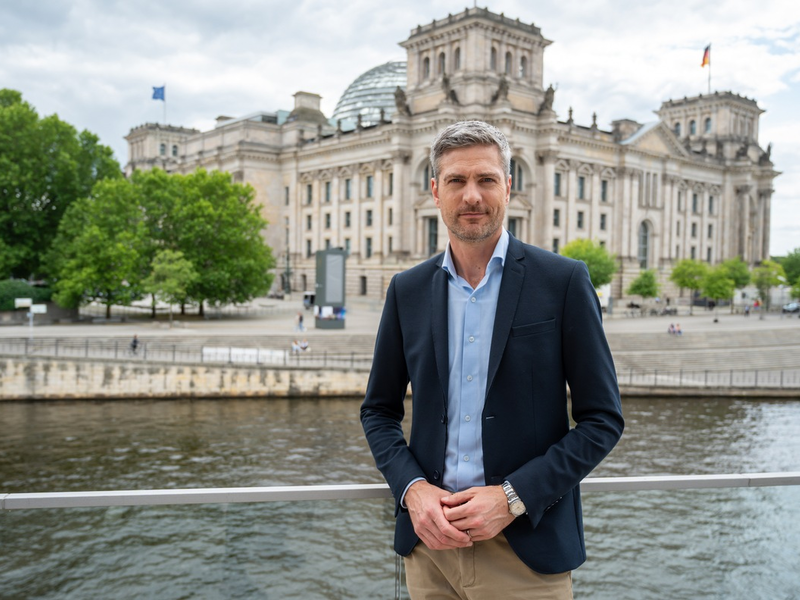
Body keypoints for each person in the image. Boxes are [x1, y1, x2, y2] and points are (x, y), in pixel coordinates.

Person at [361, 121, 624, 599]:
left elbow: (603, 420)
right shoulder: (407, 290)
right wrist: (412, 490)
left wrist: (513, 498)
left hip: (526, 550)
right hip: (429, 548)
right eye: (457, 182)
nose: (472, 197)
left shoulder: (563, 281)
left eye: (485, 180)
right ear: (436, 191)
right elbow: (378, 411)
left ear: (508, 185)